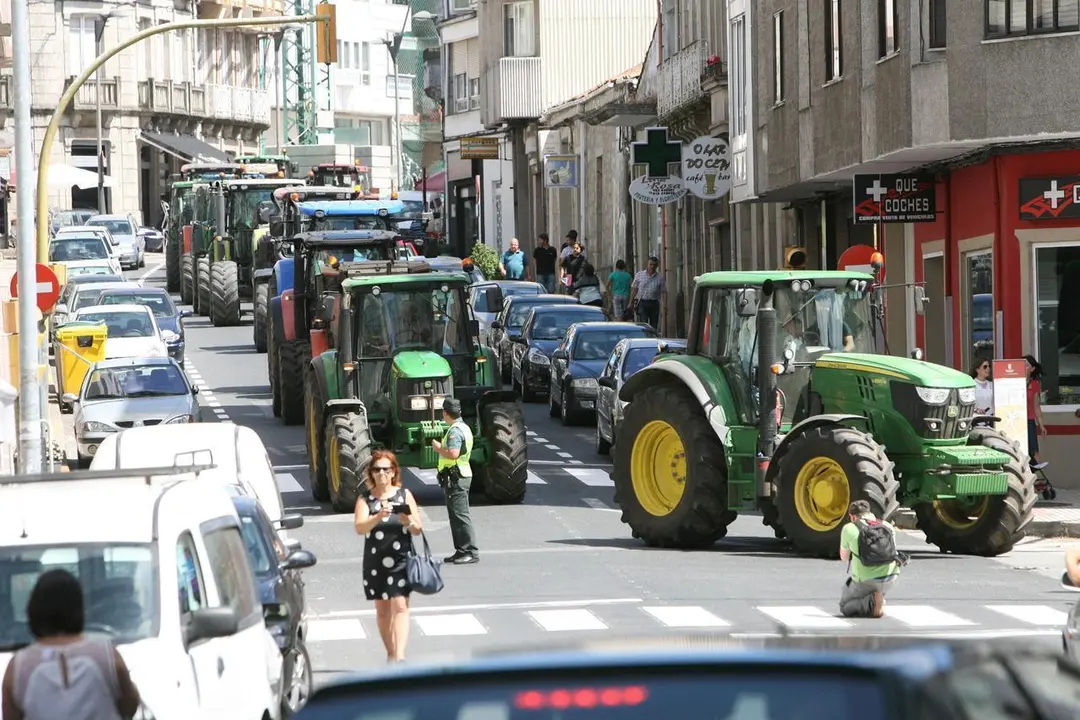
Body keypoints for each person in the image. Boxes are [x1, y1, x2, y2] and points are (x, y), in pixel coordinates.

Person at [1, 569, 142, 720]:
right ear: (79, 608)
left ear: (33, 609)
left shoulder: (18, 668)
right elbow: (130, 706)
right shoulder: (107, 657)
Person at [353, 450, 423, 663]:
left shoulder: (404, 495)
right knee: (382, 610)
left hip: (401, 558)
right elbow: (359, 527)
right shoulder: (366, 499)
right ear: (371, 473)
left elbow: (418, 528)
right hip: (376, 561)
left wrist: (407, 521)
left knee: (400, 605)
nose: (381, 473)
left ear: (394, 472)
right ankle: (391, 652)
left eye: (386, 469)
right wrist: (377, 517)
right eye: (377, 469)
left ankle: (400, 654)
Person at [431, 398, 478, 564]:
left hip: (457, 477)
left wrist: (437, 448)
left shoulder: (454, 431)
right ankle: (460, 550)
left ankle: (470, 551)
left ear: (445, 413)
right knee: (455, 516)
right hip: (458, 475)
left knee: (460, 515)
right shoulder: (462, 427)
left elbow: (453, 453)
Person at [838, 500, 901, 618]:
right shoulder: (887, 526)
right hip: (891, 577)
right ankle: (878, 596)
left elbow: (844, 557)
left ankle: (873, 601)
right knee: (876, 585)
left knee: (845, 606)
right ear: (869, 512)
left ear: (852, 516)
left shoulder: (849, 528)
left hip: (866, 581)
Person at [1025, 354, 1049, 470]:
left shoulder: (1034, 384)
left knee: (1034, 449)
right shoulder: (1013, 381)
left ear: (1032, 368)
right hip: (1014, 419)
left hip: (1028, 420)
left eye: (1026, 365)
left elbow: (1036, 406)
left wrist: (1041, 425)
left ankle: (1035, 476)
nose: (1023, 366)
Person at [629, 256, 665, 330]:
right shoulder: (639, 275)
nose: (652, 267)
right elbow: (634, 289)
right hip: (643, 302)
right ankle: (645, 337)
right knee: (644, 324)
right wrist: (630, 302)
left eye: (654, 265)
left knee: (654, 324)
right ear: (647, 264)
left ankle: (653, 338)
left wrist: (665, 305)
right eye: (650, 264)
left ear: (657, 266)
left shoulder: (660, 278)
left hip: (654, 303)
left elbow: (663, 292)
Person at [971, 359, 994, 424]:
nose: (988, 369)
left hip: (991, 420)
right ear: (977, 369)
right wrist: (976, 410)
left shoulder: (992, 384)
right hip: (976, 421)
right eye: (985, 367)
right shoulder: (971, 384)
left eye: (989, 366)